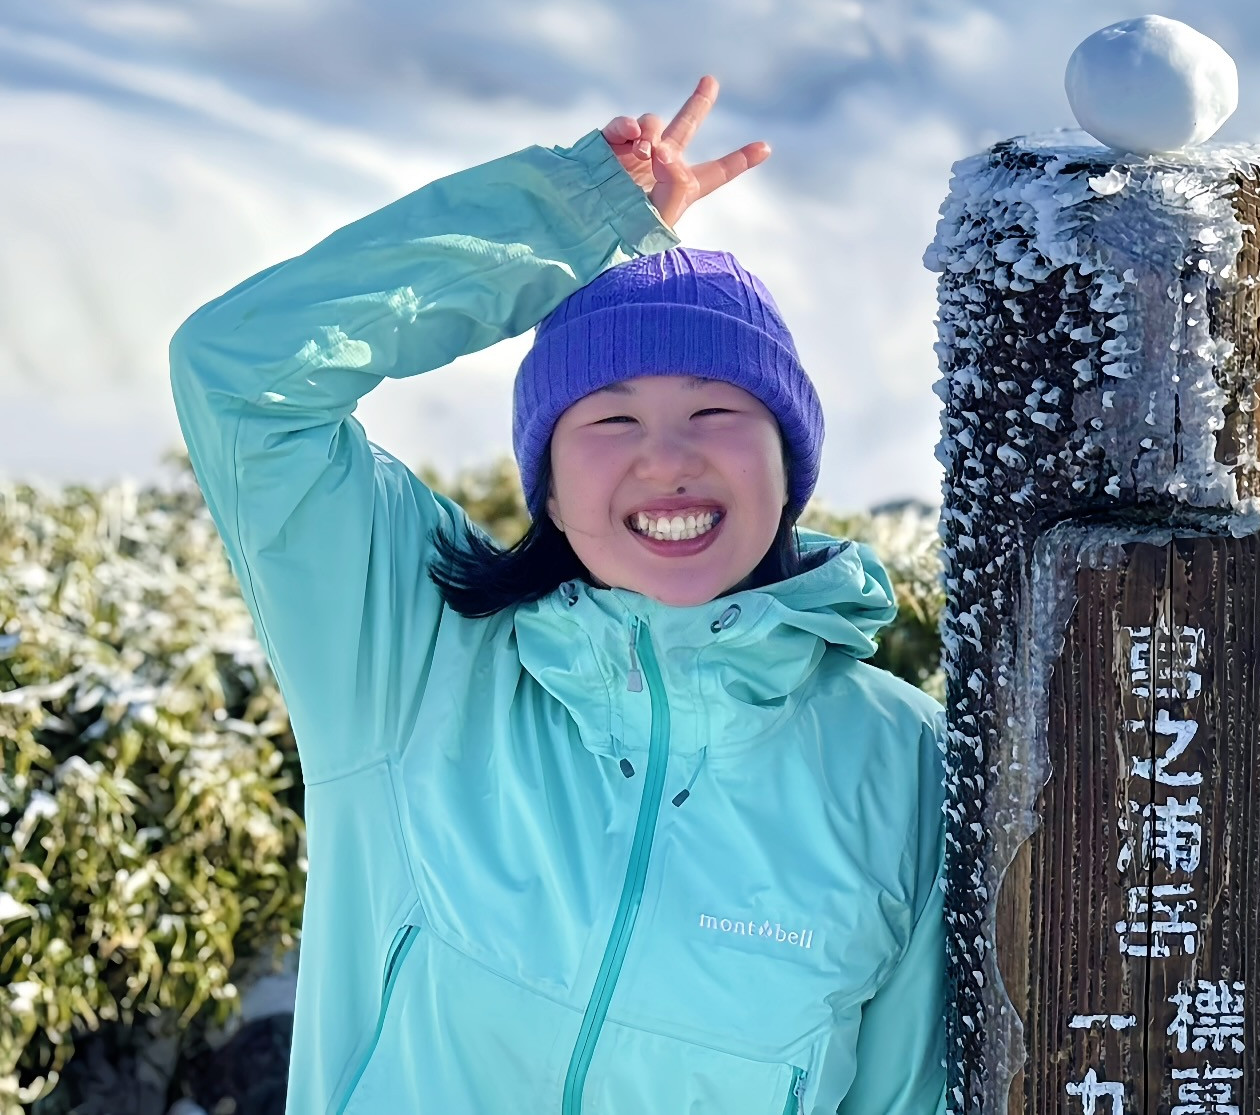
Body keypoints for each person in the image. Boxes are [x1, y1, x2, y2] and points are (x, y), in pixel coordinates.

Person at [169, 76, 947, 1114]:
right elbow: (242, 377)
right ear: (547, 481)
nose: (666, 459)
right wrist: (569, 223)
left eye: (717, 410)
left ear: (789, 462)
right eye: (610, 421)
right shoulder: (416, 655)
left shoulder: (901, 764)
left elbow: (902, 1091)